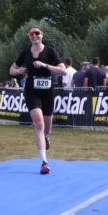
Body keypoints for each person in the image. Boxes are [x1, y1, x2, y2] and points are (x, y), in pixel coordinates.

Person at [9, 26, 66, 175]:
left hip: (47, 91)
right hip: (31, 90)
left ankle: (46, 137)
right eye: (31, 34)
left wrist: (45, 65)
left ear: (42, 35)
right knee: (38, 123)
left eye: (37, 33)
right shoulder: (25, 53)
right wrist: (19, 71)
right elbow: (11, 70)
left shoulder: (50, 51)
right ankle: (44, 162)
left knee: (47, 127)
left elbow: (63, 70)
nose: (34, 36)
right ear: (29, 37)